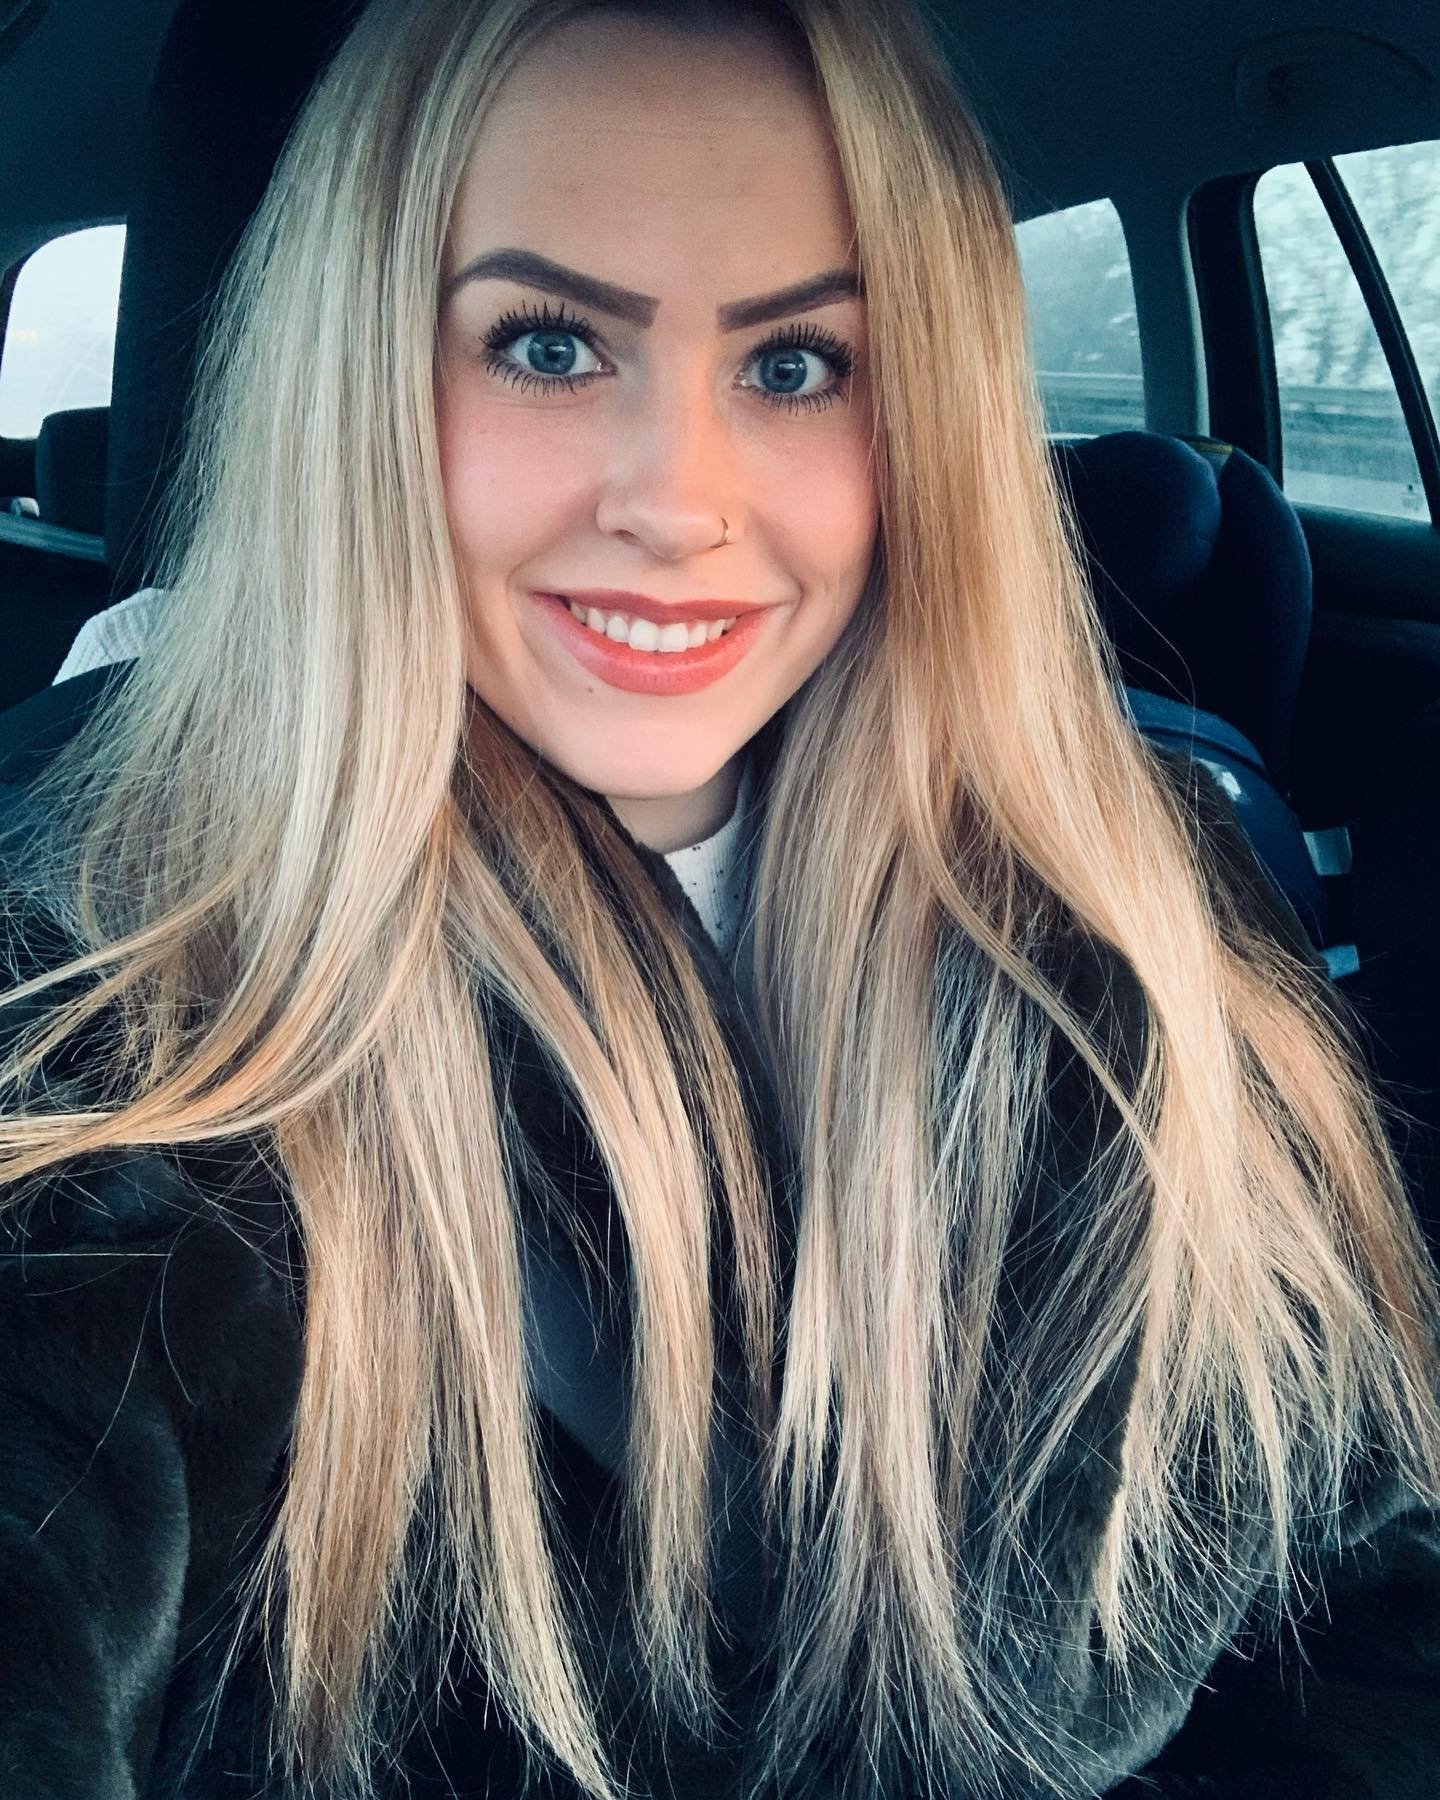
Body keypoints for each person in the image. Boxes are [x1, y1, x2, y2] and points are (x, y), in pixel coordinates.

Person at [2, 1, 1438, 1796]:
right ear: (356, 382)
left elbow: (1373, 1613)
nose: (679, 501)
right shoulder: (112, 1010)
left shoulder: (1140, 925)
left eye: (796, 365)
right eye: (546, 344)